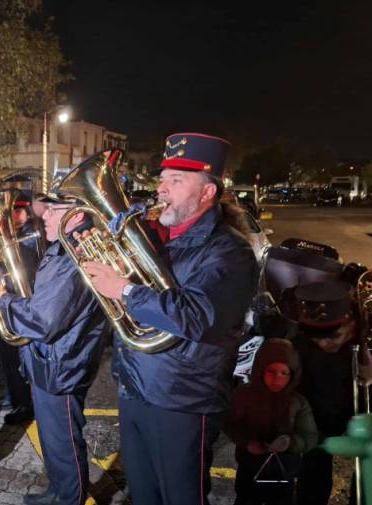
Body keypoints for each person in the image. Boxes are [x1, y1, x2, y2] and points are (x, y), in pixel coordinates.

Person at [82, 133, 259, 505]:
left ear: (207, 192)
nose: (162, 189)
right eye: (162, 179)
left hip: (182, 399)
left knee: (180, 497)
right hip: (135, 386)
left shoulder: (230, 251)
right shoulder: (153, 236)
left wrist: (126, 290)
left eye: (176, 181)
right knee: (144, 493)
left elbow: (199, 317)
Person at [0, 189, 107, 505]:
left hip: (63, 363)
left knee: (63, 440)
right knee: (51, 437)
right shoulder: (62, 248)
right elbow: (45, 303)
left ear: (75, 215)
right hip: (52, 359)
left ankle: (70, 498)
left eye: (52, 210)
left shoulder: (72, 255)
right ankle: (58, 491)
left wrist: (2, 300)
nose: (43, 215)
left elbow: (46, 321)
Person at [223, 338, 318, 505]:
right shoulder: (245, 395)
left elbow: (310, 436)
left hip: (285, 473)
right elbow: (231, 424)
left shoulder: (298, 402)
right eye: (270, 371)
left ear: (293, 374)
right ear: (260, 370)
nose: (276, 379)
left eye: (284, 373)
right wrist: (247, 442)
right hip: (249, 468)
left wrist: (290, 442)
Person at [292, 280, 359, 505]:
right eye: (316, 338)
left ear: (349, 321)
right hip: (317, 417)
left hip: (362, 417)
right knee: (312, 480)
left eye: (333, 335)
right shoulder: (298, 342)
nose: (323, 344)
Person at [0, 188, 40, 425]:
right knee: (7, 357)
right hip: (8, 301)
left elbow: (30, 266)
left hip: (23, 301)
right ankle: (14, 397)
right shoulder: (13, 235)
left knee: (20, 358)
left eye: (15, 211)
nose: (11, 216)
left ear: (24, 213)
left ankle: (25, 404)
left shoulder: (31, 235)